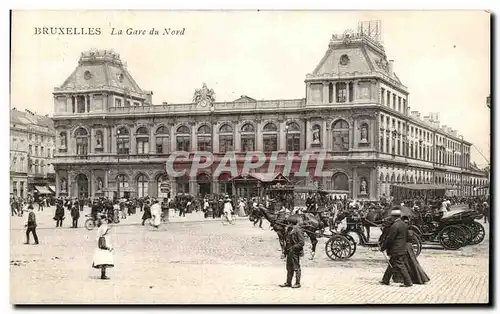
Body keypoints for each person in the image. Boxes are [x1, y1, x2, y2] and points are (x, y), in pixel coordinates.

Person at [379, 209, 413, 287]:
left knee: (400, 264)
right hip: (402, 248)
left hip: (396, 249)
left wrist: (383, 247)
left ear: (393, 217)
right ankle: (385, 280)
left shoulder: (395, 226)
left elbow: (390, 239)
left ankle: (408, 282)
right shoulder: (404, 224)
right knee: (391, 263)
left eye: (391, 216)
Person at [279, 221, 305, 288]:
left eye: (289, 223)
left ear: (292, 223)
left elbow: (302, 242)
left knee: (296, 267)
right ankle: (288, 282)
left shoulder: (298, 230)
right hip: (289, 251)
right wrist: (285, 252)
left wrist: (294, 247)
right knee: (289, 268)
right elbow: (287, 242)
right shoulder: (289, 230)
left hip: (295, 252)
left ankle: (297, 283)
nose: (288, 225)